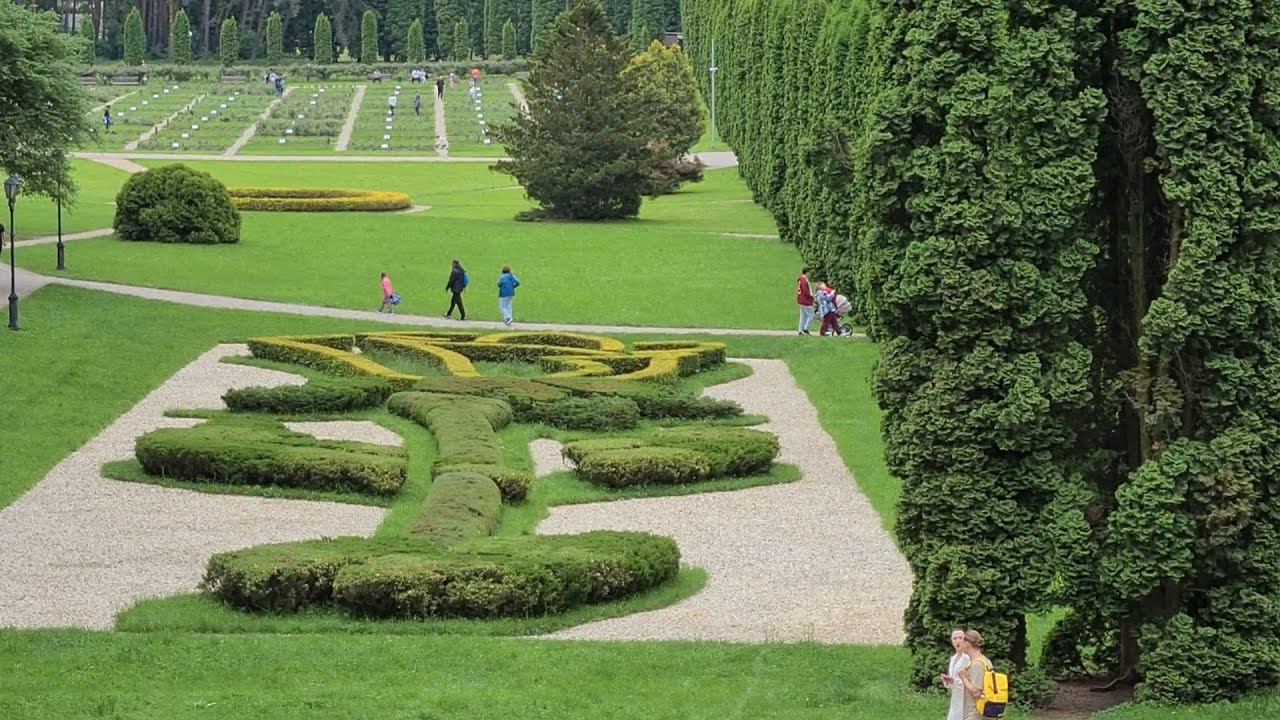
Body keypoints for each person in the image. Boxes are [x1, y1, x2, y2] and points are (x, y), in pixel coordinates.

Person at [959, 630, 992, 720]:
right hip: (985, 713)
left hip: (976, 714)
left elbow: (977, 692)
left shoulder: (977, 664)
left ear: (967, 644)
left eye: (963, 642)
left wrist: (963, 677)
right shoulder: (986, 661)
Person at [942, 629, 971, 720]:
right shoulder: (953, 658)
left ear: (965, 640)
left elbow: (969, 681)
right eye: (955, 638)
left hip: (965, 698)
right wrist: (946, 681)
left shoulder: (967, 658)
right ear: (952, 641)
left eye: (960, 638)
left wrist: (953, 681)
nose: (958, 641)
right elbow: (951, 682)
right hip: (955, 698)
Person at [796, 266, 815, 335]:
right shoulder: (804, 281)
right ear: (807, 272)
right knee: (811, 315)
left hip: (801, 300)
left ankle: (800, 330)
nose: (810, 274)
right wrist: (812, 299)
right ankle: (805, 329)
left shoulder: (801, 280)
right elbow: (806, 292)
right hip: (805, 300)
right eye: (809, 272)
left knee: (803, 316)